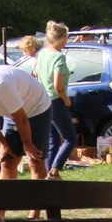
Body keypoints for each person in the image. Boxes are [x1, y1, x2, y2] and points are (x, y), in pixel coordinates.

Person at [32, 22, 75, 178]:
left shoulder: (42, 53)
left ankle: (47, 176)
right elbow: (58, 86)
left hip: (43, 101)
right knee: (70, 138)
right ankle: (54, 171)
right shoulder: (59, 57)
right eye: (66, 38)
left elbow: (36, 73)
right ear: (61, 38)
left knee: (53, 140)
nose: (67, 41)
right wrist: (67, 100)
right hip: (55, 101)